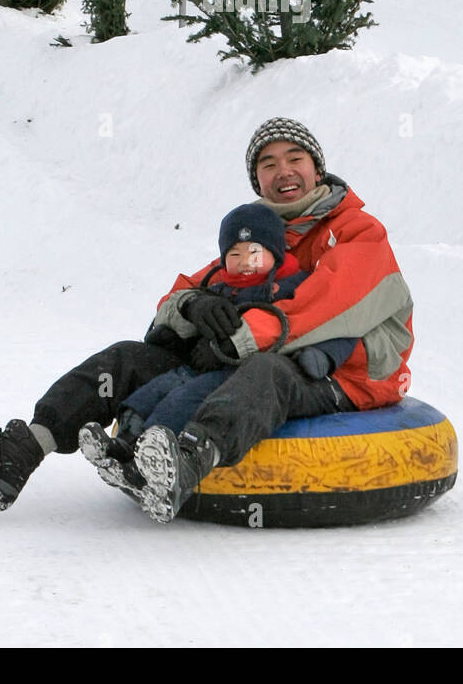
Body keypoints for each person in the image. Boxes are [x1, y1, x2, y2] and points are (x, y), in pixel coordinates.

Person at [0, 118, 413, 525]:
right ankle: (19, 453)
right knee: (128, 359)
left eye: (294, 160)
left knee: (265, 372)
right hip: (252, 354)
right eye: (269, 165)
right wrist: (192, 309)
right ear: (257, 181)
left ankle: (187, 461)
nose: (283, 172)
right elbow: (183, 293)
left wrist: (234, 340)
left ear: (317, 168)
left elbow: (324, 309)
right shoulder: (260, 234)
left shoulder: (359, 232)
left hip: (344, 374)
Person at [78, 200, 357, 507]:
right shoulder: (220, 287)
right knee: (161, 387)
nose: (244, 261)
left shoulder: (297, 285)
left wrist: (323, 356)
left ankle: (153, 454)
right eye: (234, 255)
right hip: (205, 367)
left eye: (254, 252)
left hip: (247, 375)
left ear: (276, 254)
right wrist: (180, 329)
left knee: (185, 398)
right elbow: (187, 310)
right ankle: (125, 443)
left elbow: (328, 320)